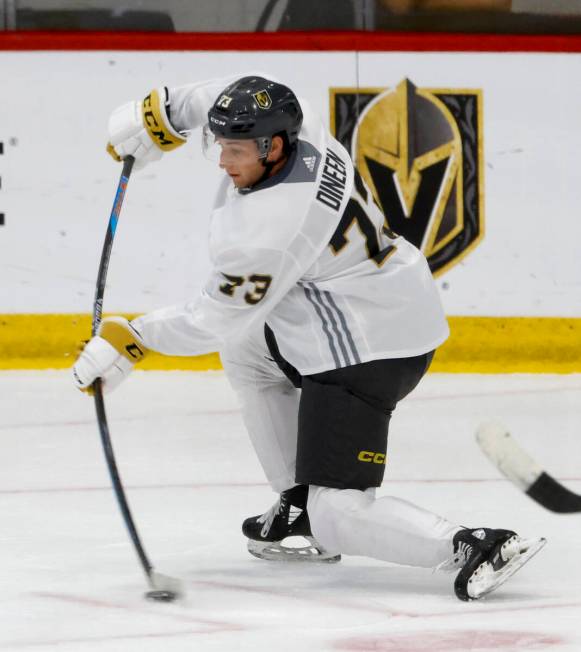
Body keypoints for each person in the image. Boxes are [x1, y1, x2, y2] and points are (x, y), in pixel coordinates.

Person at [73, 73, 545, 601]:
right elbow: (229, 92)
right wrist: (163, 111)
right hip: (383, 299)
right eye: (219, 144)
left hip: (369, 350)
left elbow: (215, 317)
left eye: (234, 150)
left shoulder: (273, 227)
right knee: (248, 352)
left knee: (337, 512)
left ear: (272, 148)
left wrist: (132, 338)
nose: (224, 162)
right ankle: (295, 503)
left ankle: (471, 545)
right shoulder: (306, 128)